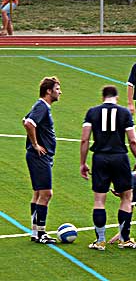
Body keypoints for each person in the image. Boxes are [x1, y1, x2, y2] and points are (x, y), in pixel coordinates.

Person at [80, 85, 136, 251]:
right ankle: (124, 239)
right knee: (126, 197)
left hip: (100, 158)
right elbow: (132, 140)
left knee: (99, 200)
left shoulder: (92, 112)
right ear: (116, 97)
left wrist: (83, 162)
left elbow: (85, 140)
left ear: (103, 97)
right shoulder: (124, 112)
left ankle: (100, 241)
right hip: (119, 158)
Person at [23, 76, 62, 244]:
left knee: (38, 193)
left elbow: (24, 119)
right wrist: (36, 144)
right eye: (58, 89)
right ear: (49, 91)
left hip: (38, 156)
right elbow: (29, 123)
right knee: (46, 193)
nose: (60, 92)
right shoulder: (42, 107)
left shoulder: (41, 106)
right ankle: (41, 233)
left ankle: (35, 232)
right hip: (39, 156)